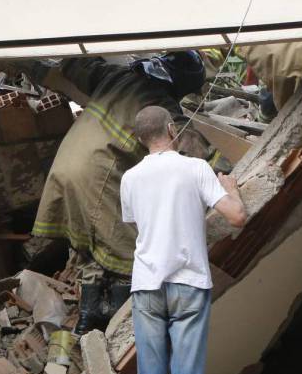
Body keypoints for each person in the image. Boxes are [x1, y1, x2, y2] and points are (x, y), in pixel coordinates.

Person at [16, 52, 213, 336]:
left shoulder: (116, 76)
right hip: (100, 177)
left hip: (64, 170)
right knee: (131, 247)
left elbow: (73, 66)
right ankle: (118, 325)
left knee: (88, 246)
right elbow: (195, 154)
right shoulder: (164, 111)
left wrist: (25, 61)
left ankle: (88, 317)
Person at [120, 105, 248, 374]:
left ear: (141, 139)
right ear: (172, 129)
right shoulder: (195, 169)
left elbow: (137, 224)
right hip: (189, 284)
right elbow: (237, 217)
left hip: (146, 286)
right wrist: (232, 190)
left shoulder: (129, 178)